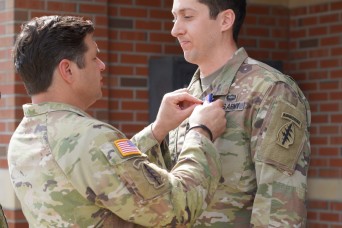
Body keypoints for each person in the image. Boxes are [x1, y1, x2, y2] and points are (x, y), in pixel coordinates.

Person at [8, 15, 227, 227]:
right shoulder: (90, 137)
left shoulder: (22, 139)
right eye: (94, 57)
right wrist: (201, 132)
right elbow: (178, 207)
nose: (102, 65)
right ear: (67, 70)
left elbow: (105, 174)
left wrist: (157, 131)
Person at [163, 0, 311, 227]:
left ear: (225, 20)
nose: (175, 29)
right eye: (174, 17)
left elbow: (279, 211)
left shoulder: (270, 90)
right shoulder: (182, 99)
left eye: (187, 16)